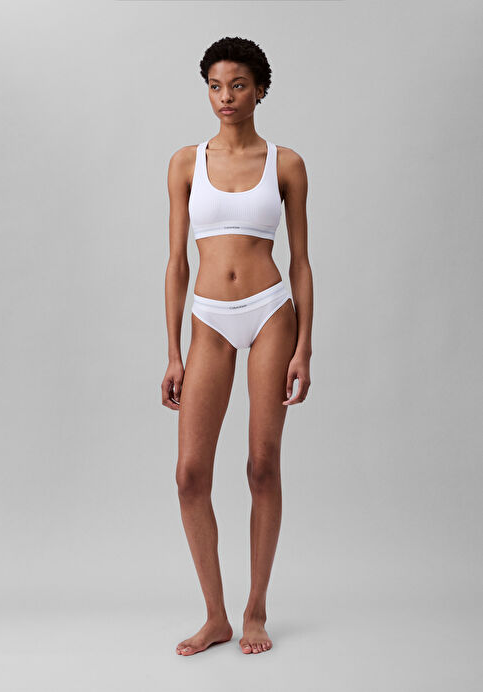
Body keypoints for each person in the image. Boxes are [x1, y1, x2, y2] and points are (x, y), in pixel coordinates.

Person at [162, 36, 313, 656]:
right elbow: (176, 262)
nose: (226, 97)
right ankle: (215, 616)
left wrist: (305, 348)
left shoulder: (286, 163)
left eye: (239, 86)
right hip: (209, 320)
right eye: (216, 86)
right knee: (190, 475)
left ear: (260, 90)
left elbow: (300, 261)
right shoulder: (185, 163)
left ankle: (255, 610)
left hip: (271, 312)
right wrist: (173, 352)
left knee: (261, 465)